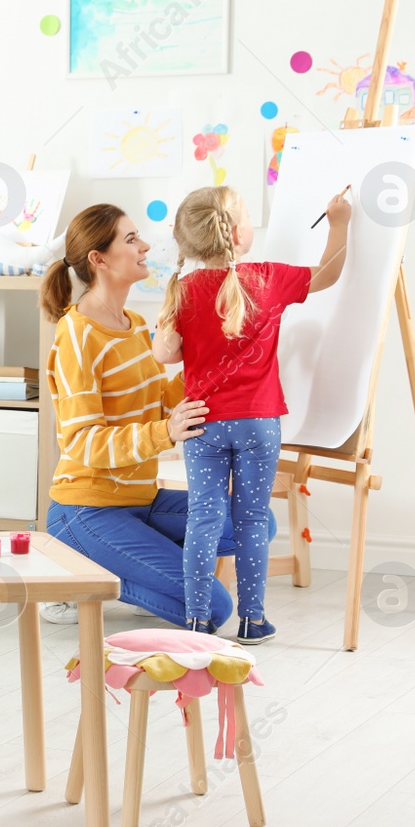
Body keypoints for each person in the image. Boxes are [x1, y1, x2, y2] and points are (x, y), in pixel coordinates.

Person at [37, 204, 277, 630]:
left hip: (141, 502)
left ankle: (136, 565)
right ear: (99, 259)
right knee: (215, 608)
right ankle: (76, 575)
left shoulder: (134, 323)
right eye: (131, 240)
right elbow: (82, 443)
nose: (145, 246)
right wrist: (165, 432)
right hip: (86, 510)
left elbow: (159, 399)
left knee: (257, 521)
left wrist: (212, 358)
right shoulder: (76, 335)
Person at [152, 185, 350, 643]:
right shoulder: (267, 277)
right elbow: (328, 273)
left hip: (202, 425)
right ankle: (252, 620)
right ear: (237, 233)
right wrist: (338, 223)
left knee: (204, 518)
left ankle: (198, 619)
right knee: (252, 520)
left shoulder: (182, 291)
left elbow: (165, 354)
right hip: (259, 424)